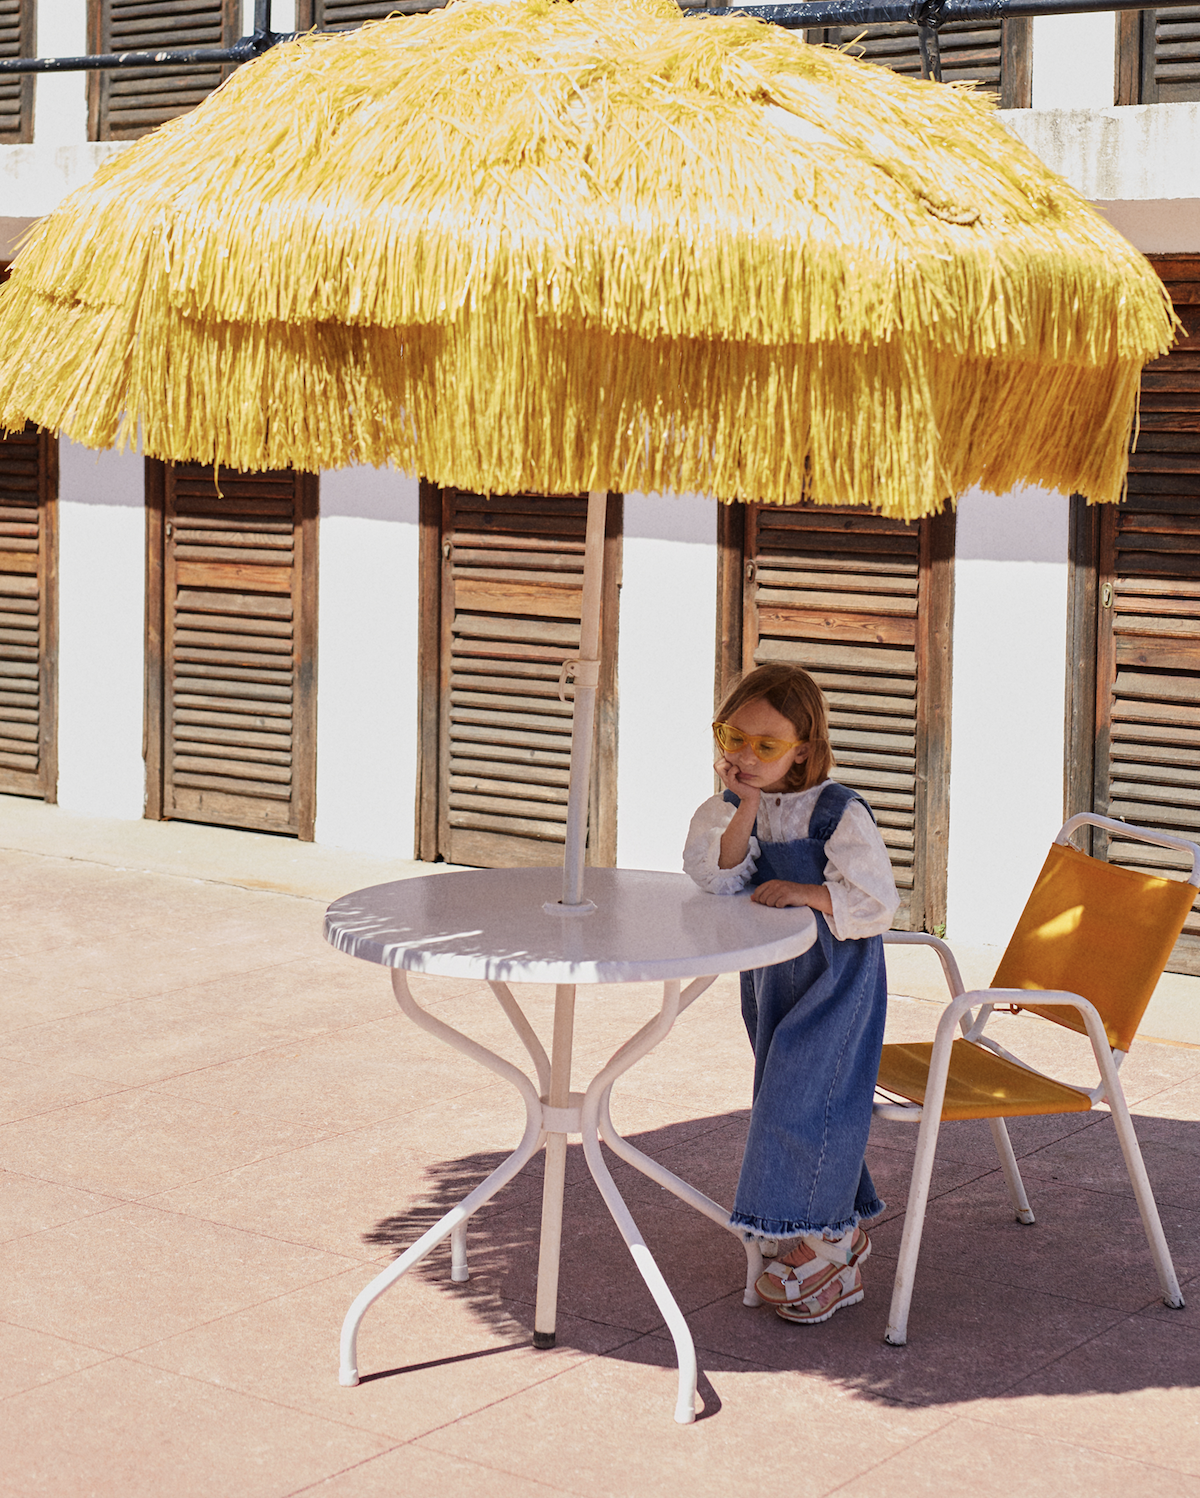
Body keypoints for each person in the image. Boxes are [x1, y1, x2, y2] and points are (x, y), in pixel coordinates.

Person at [683, 661, 898, 1325]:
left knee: (806, 1094)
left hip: (837, 975)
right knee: (795, 1094)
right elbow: (719, 880)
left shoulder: (838, 810)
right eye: (732, 737)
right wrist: (745, 808)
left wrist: (809, 891)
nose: (744, 756)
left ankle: (827, 1248)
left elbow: (876, 901)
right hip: (774, 972)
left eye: (766, 746)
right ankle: (836, 1226)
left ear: (803, 749)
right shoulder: (725, 808)